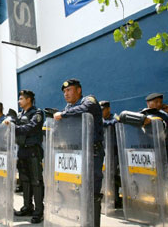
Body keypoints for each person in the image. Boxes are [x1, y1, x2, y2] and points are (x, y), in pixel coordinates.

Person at [54, 79, 104, 227]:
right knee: (79, 190)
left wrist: (64, 113)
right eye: (64, 92)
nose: (66, 94)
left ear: (79, 90)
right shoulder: (69, 108)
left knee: (92, 190)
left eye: (69, 90)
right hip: (76, 152)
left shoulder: (88, 100)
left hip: (92, 152)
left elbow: (87, 108)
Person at [4, 90, 44, 224]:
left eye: (21, 99)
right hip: (22, 151)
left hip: (33, 151)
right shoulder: (19, 115)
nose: (19, 101)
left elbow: (32, 127)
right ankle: (27, 207)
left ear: (28, 100)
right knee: (25, 180)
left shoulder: (37, 113)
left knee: (36, 181)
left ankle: (39, 212)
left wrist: (14, 127)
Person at [140, 93, 168, 176]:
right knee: (156, 175)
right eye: (156, 102)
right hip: (154, 150)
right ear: (148, 103)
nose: (159, 104)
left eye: (161, 102)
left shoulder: (164, 115)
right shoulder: (142, 115)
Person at [99, 100, 122, 208]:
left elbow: (115, 123)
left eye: (103, 110)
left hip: (114, 152)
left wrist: (102, 123)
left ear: (108, 109)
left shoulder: (115, 117)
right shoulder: (100, 119)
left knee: (113, 175)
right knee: (105, 175)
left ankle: (115, 199)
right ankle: (108, 197)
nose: (101, 112)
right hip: (103, 151)